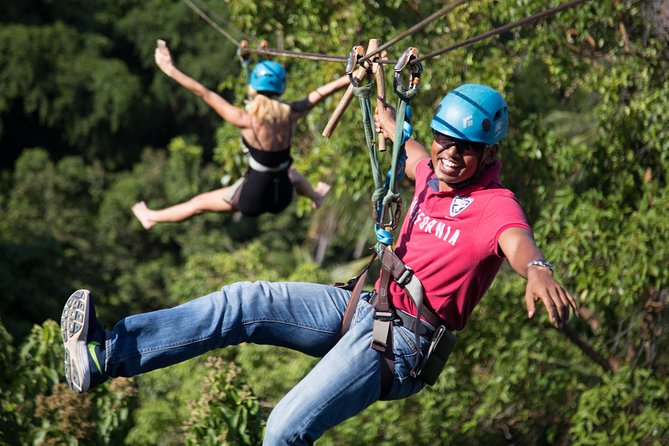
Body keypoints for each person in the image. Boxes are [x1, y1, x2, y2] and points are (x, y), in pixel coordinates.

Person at [61, 83, 579, 444]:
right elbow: (397, 133)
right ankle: (108, 355)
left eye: (467, 147)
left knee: (284, 431)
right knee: (244, 301)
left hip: (402, 345)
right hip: (365, 305)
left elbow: (518, 243)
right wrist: (372, 82)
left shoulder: (496, 204)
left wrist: (538, 271)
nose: (451, 153)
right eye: (446, 139)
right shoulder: (430, 175)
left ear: (488, 154)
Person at [131, 40, 349, 230]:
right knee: (291, 173)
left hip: (251, 198)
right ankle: (315, 196)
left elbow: (204, 92)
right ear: (281, 87)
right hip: (282, 196)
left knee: (197, 204)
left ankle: (151, 217)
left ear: (254, 87)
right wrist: (350, 77)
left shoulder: (244, 120)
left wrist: (170, 69)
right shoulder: (291, 114)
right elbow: (321, 93)